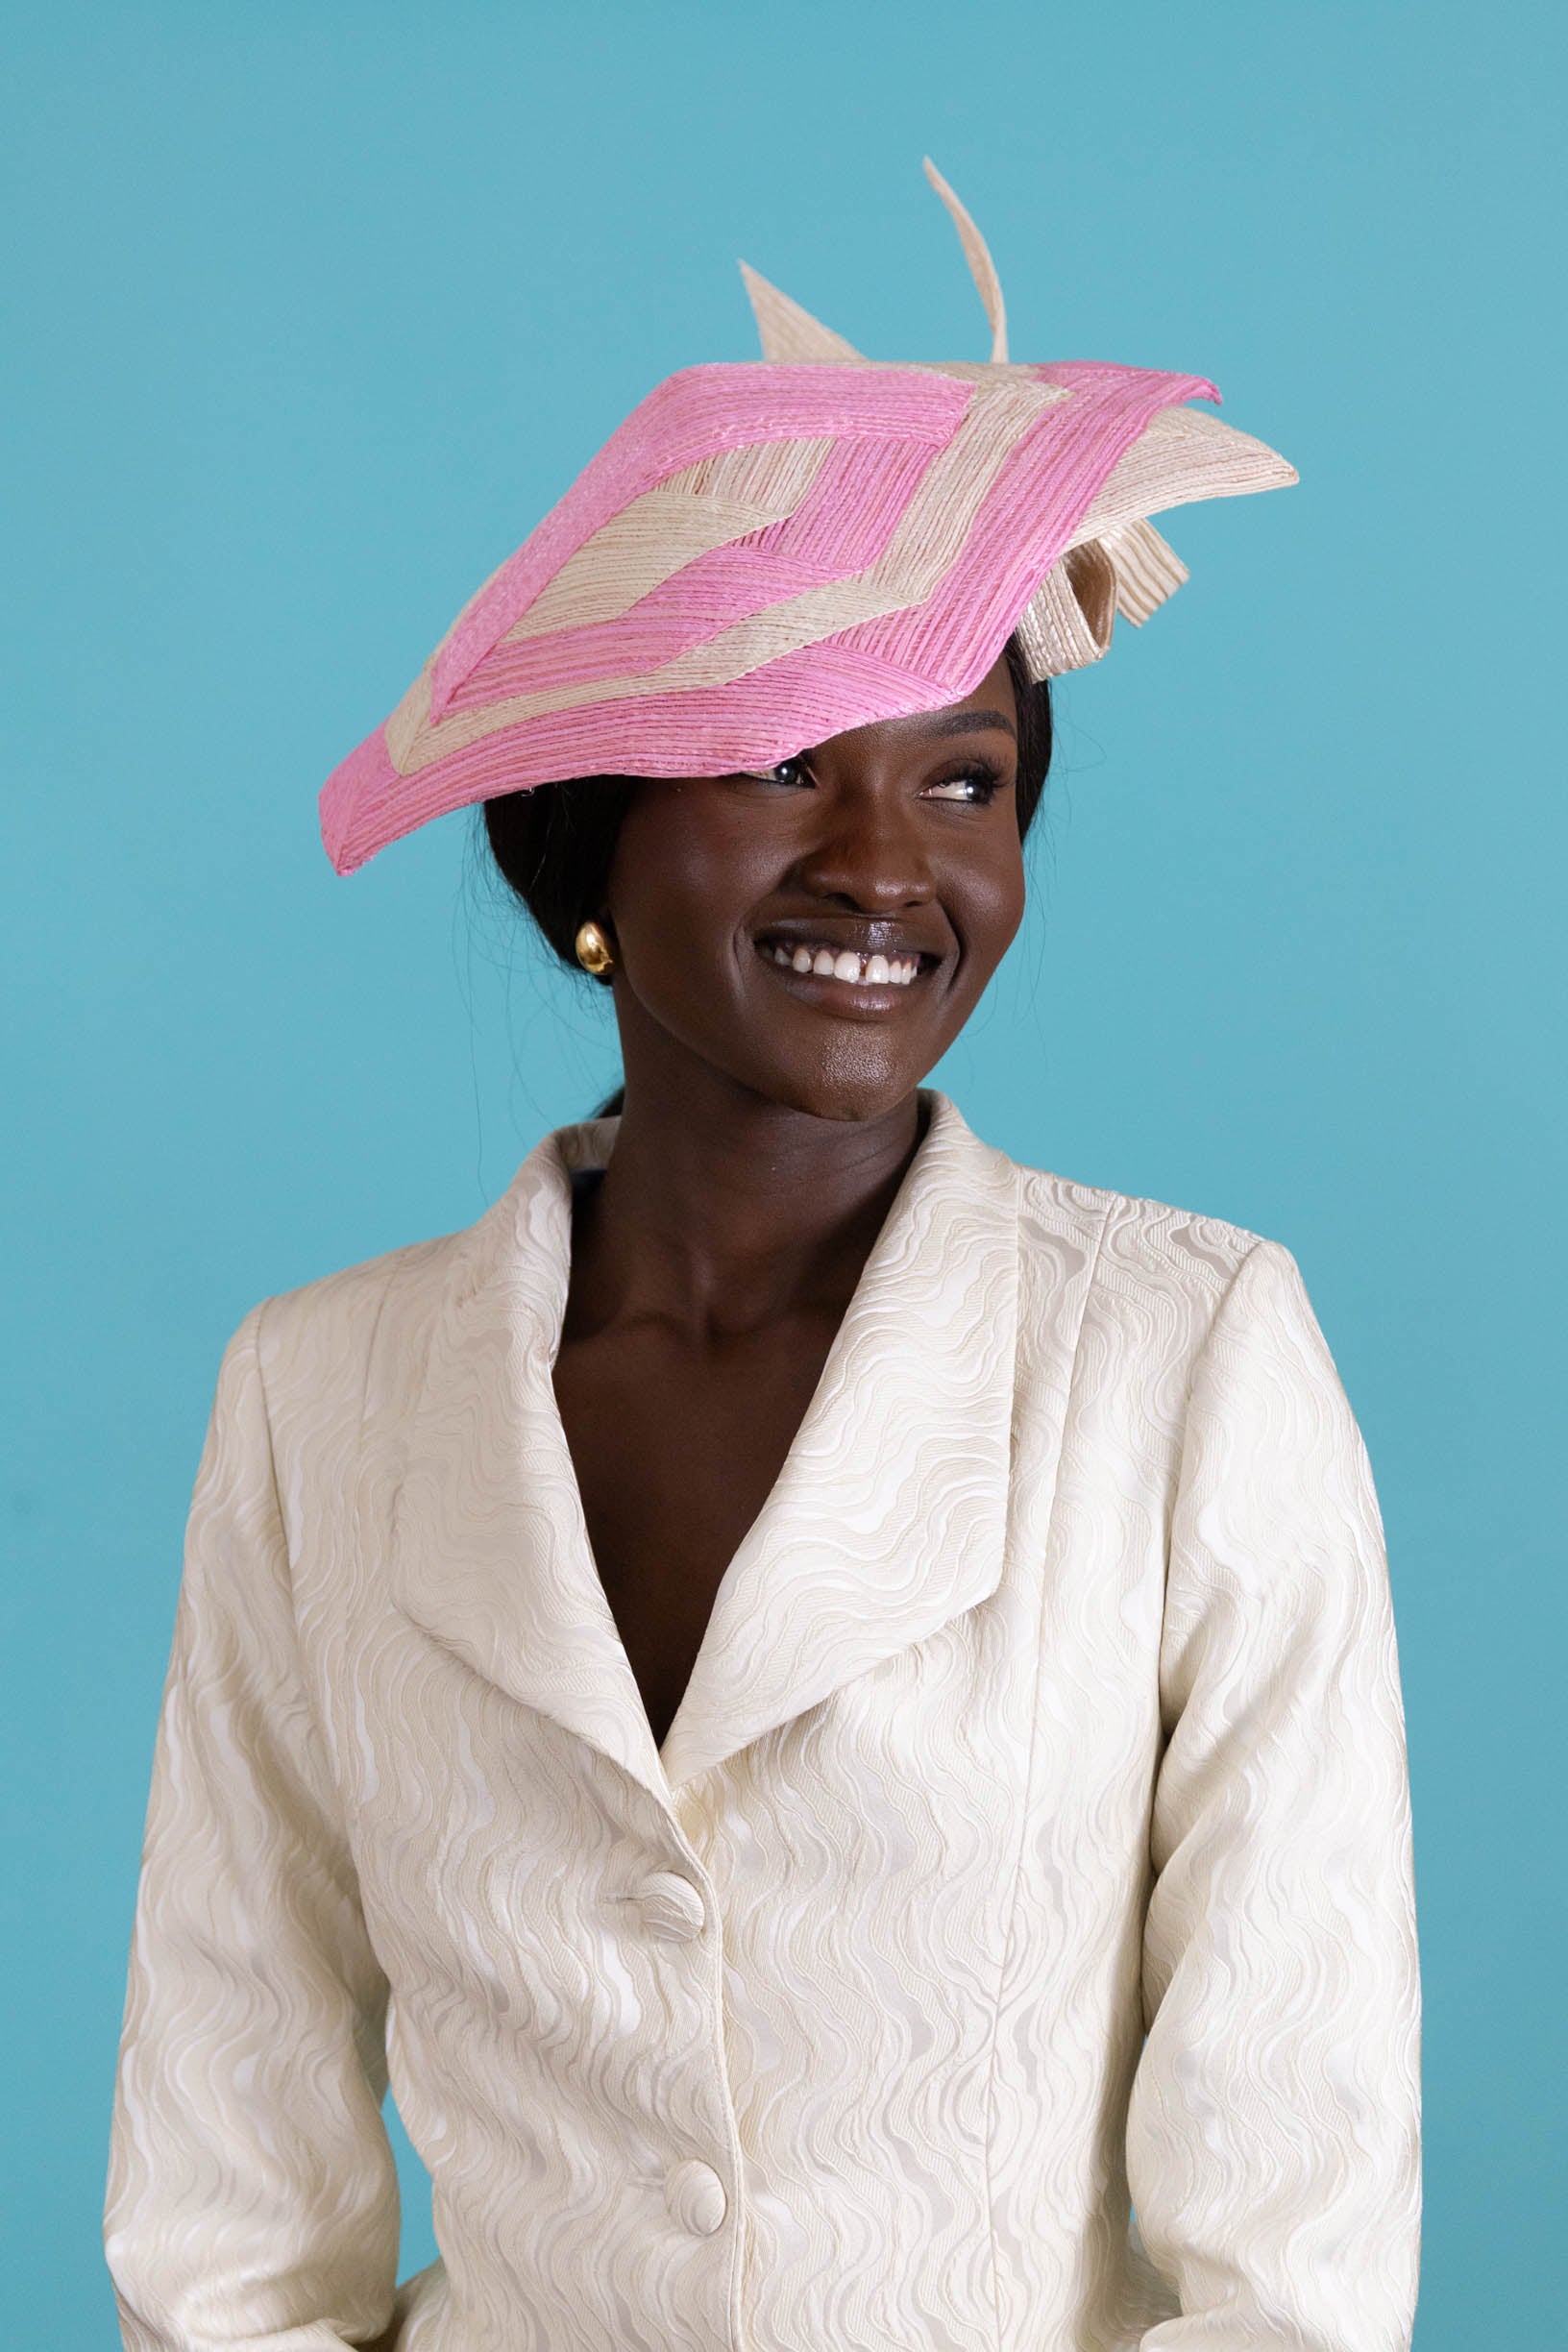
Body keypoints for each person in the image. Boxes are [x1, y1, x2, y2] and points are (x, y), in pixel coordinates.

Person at [104, 164, 1421, 2352]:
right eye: (784, 759)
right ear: (587, 828)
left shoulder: (1190, 1365)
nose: (889, 866)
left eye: (971, 778)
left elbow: (1295, 2247)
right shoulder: (318, 1397)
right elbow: (225, 2199)